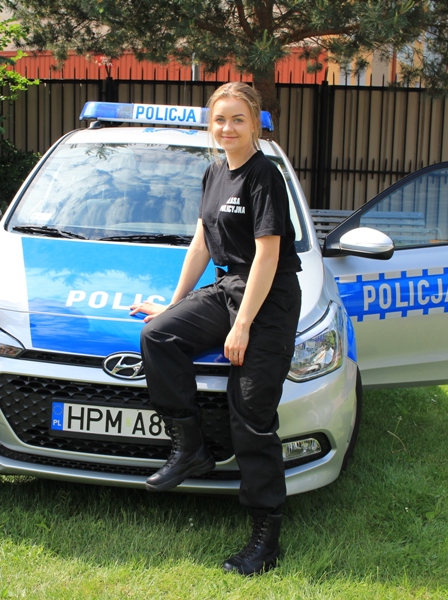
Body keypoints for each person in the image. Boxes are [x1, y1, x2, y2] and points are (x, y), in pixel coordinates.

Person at [130, 82, 302, 576]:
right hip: (228, 287)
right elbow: (202, 242)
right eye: (220, 120)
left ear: (255, 124)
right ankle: (191, 449)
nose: (227, 128)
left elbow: (267, 255)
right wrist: (174, 302)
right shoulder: (214, 172)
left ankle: (265, 538)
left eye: (237, 119)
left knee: (250, 416)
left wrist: (243, 325)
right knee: (159, 334)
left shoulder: (264, 175)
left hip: (267, 301)